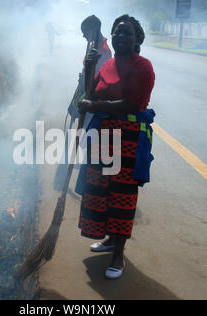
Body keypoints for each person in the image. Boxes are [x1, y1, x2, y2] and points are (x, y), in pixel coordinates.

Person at [76, 14, 156, 279]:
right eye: (118, 32)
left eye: (127, 33)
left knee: (122, 195)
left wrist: (94, 106)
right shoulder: (108, 65)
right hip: (102, 136)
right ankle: (110, 239)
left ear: (137, 40)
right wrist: (88, 70)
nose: (121, 37)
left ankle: (118, 255)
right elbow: (92, 94)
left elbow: (132, 104)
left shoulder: (143, 66)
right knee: (100, 189)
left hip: (128, 139)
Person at [53, 15, 112, 192]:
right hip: (84, 96)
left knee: (84, 138)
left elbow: (97, 81)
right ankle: (70, 174)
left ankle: (82, 180)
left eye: (85, 33)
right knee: (77, 135)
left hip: (92, 101)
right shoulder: (94, 46)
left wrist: (86, 79)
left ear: (93, 30)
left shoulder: (104, 52)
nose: (84, 37)